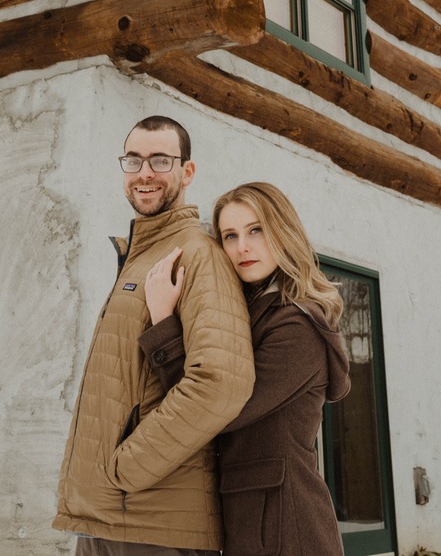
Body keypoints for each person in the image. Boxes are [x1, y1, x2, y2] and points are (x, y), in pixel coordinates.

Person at [52, 116, 255, 556]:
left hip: (153, 522)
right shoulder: (142, 256)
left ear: (187, 172)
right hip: (110, 518)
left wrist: (125, 469)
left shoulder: (198, 255)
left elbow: (221, 383)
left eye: (160, 160)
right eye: (134, 160)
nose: (145, 173)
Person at [140, 181, 351, 556]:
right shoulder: (249, 314)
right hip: (249, 521)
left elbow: (213, 409)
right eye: (230, 236)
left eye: (256, 230)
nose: (242, 247)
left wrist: (163, 324)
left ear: (282, 231)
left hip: (288, 528)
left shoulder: (297, 326)